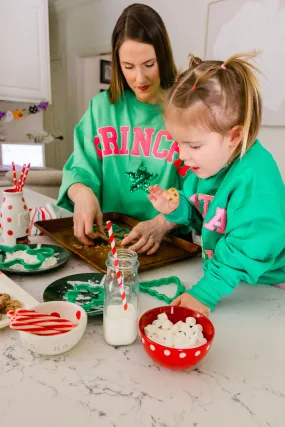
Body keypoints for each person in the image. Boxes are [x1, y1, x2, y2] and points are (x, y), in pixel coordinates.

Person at [148, 52, 285, 315]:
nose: (182, 154)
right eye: (177, 142)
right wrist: (176, 210)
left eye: (194, 145)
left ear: (234, 136)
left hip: (272, 281)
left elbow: (250, 244)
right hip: (235, 277)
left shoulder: (255, 176)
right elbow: (207, 218)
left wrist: (206, 292)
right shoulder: (206, 166)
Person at [57, 3, 188, 254]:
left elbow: (200, 192)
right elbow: (79, 172)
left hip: (169, 245)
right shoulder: (101, 109)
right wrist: (82, 193)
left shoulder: (187, 109)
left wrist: (161, 224)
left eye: (149, 64)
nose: (140, 78)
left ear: (164, 55)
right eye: (128, 67)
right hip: (110, 245)